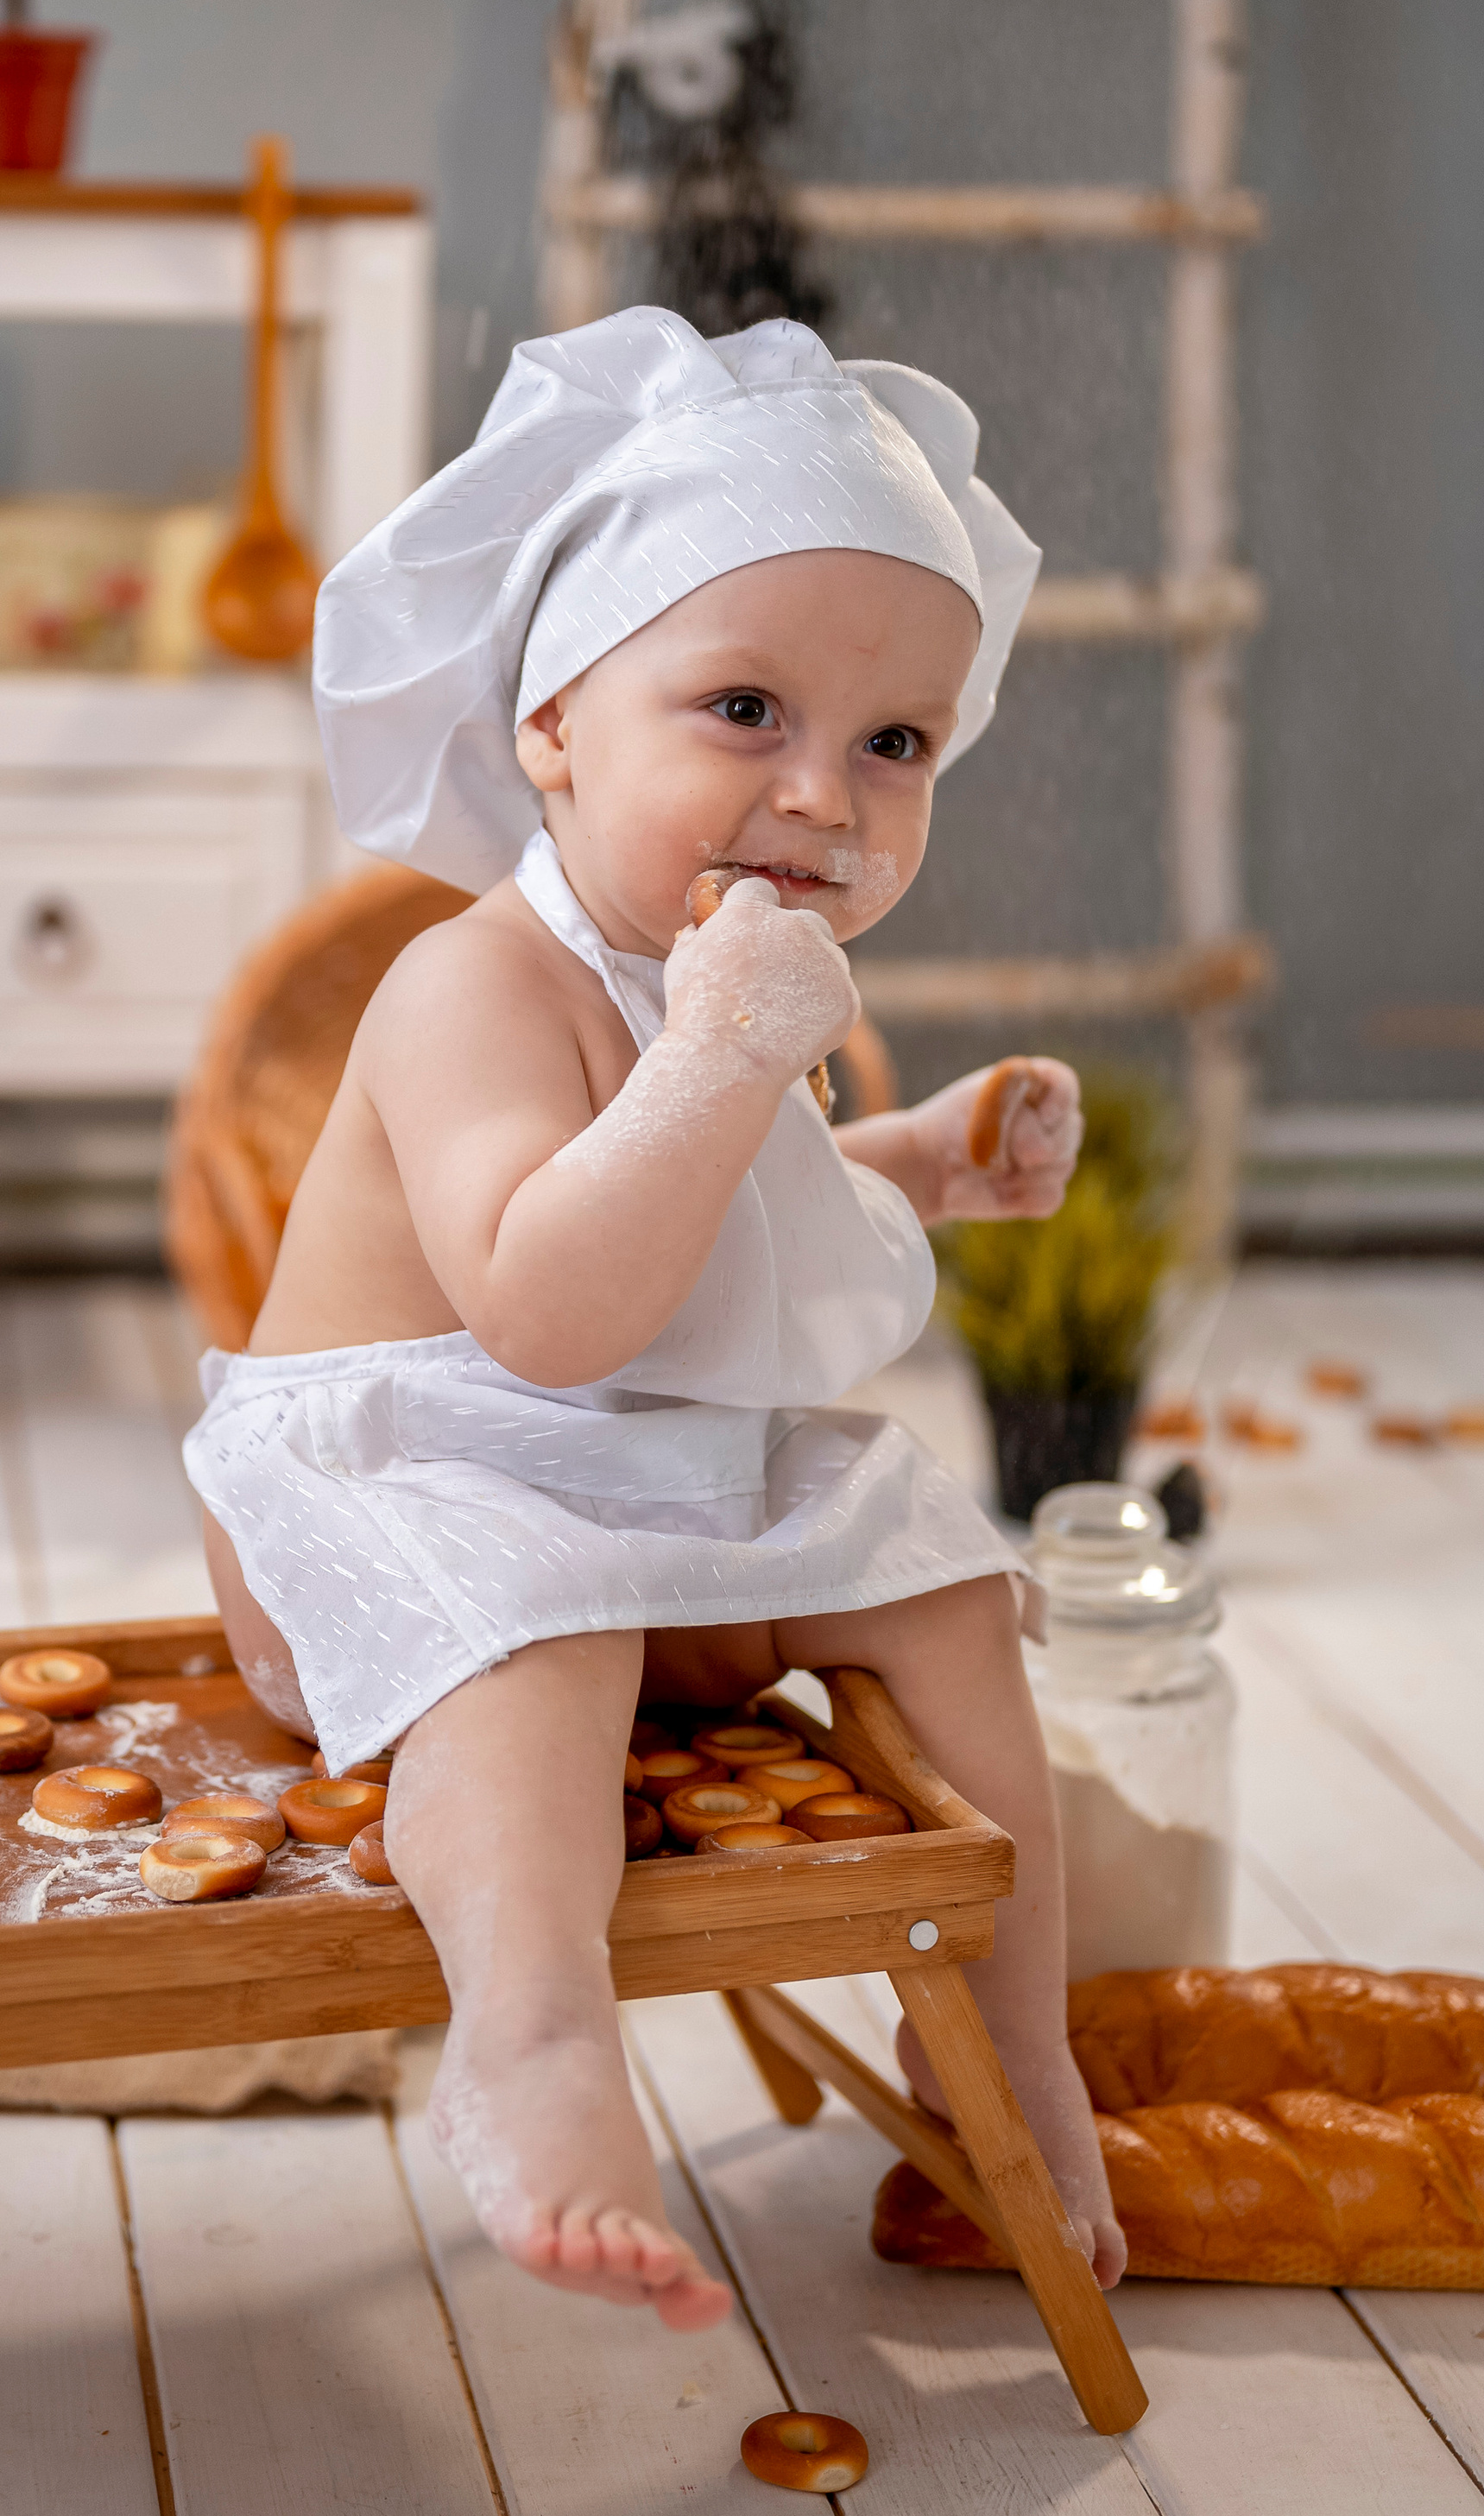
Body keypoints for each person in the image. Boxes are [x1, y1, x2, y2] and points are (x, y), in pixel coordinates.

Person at [186, 308, 1122, 2328]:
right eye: (741, 708)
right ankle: (530, 2046)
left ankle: (1023, 2042)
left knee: (945, 1581)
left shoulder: (734, 971)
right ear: (551, 725)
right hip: (407, 1493)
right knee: (550, 1624)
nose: (823, 793)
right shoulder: (471, 987)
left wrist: (921, 1154)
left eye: (894, 744)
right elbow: (541, 1307)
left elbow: (726, 1236)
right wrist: (718, 1068)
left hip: (641, 1473)